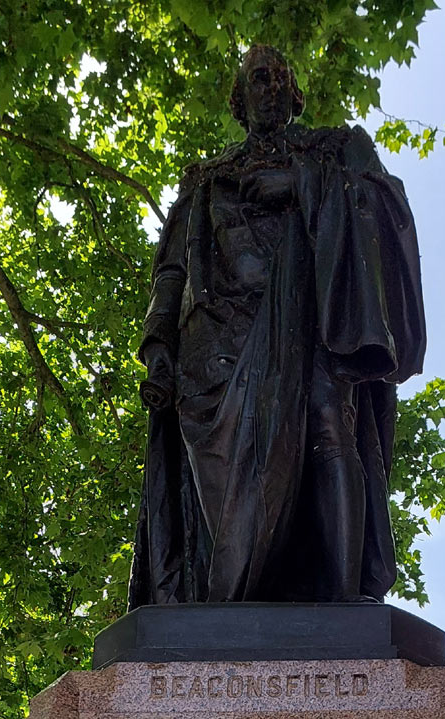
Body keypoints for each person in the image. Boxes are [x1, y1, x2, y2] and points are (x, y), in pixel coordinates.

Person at [129, 43, 426, 608]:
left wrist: (303, 187)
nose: (269, 86)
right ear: (239, 98)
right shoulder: (205, 177)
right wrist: (158, 342)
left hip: (310, 325)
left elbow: (389, 209)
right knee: (221, 492)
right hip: (215, 350)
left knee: (329, 427)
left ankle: (343, 611)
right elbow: (172, 270)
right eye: (257, 78)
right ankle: (233, 601)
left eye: (278, 78)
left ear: (294, 93)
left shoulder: (337, 148)